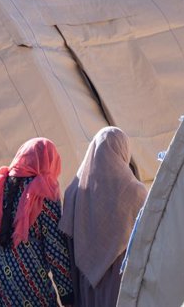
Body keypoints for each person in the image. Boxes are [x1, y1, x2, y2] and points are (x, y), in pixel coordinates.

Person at [0, 137, 74, 307]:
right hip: (28, 276)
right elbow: (54, 246)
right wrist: (67, 294)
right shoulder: (44, 191)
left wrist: (0, 255)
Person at [59, 126, 148, 306]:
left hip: (86, 282)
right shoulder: (135, 191)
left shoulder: (73, 191)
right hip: (121, 279)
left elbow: (66, 237)